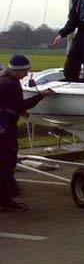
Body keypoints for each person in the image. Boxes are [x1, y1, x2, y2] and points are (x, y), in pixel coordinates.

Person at [0, 55, 54, 212]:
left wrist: (18, 110)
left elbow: (10, 103)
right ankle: (5, 201)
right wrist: (41, 95)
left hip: (3, 123)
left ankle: (6, 197)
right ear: (17, 71)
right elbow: (20, 104)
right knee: (7, 163)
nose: (26, 75)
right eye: (25, 71)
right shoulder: (11, 84)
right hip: (5, 128)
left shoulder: (4, 80)